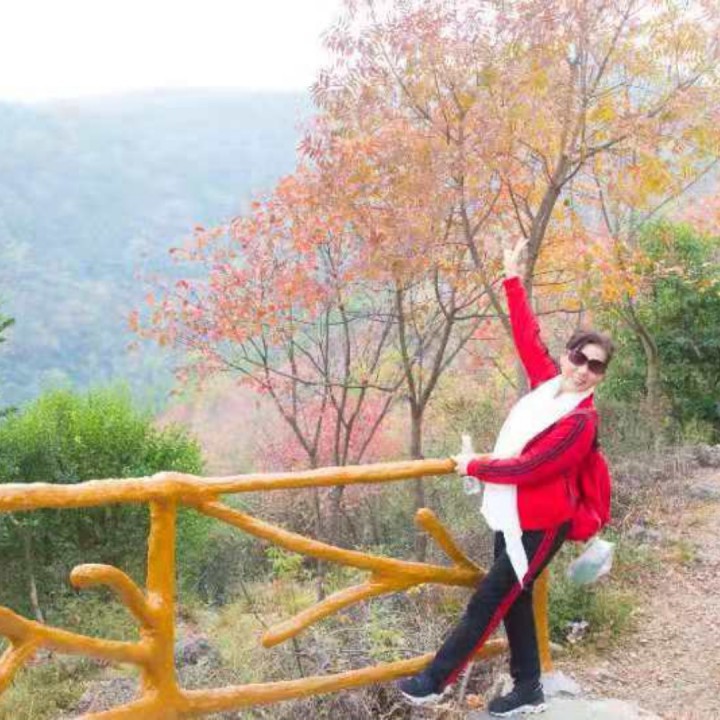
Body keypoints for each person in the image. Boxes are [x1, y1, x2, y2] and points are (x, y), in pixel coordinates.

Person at [397, 238, 614, 717]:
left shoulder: (580, 422)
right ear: (567, 356)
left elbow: (531, 468)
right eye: (579, 358)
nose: (583, 370)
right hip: (511, 515)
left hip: (542, 523)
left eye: (595, 366)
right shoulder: (548, 387)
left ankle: (432, 682)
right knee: (516, 598)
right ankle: (529, 688)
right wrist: (512, 280)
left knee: (491, 598)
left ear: (602, 375)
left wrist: (474, 465)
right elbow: (526, 339)